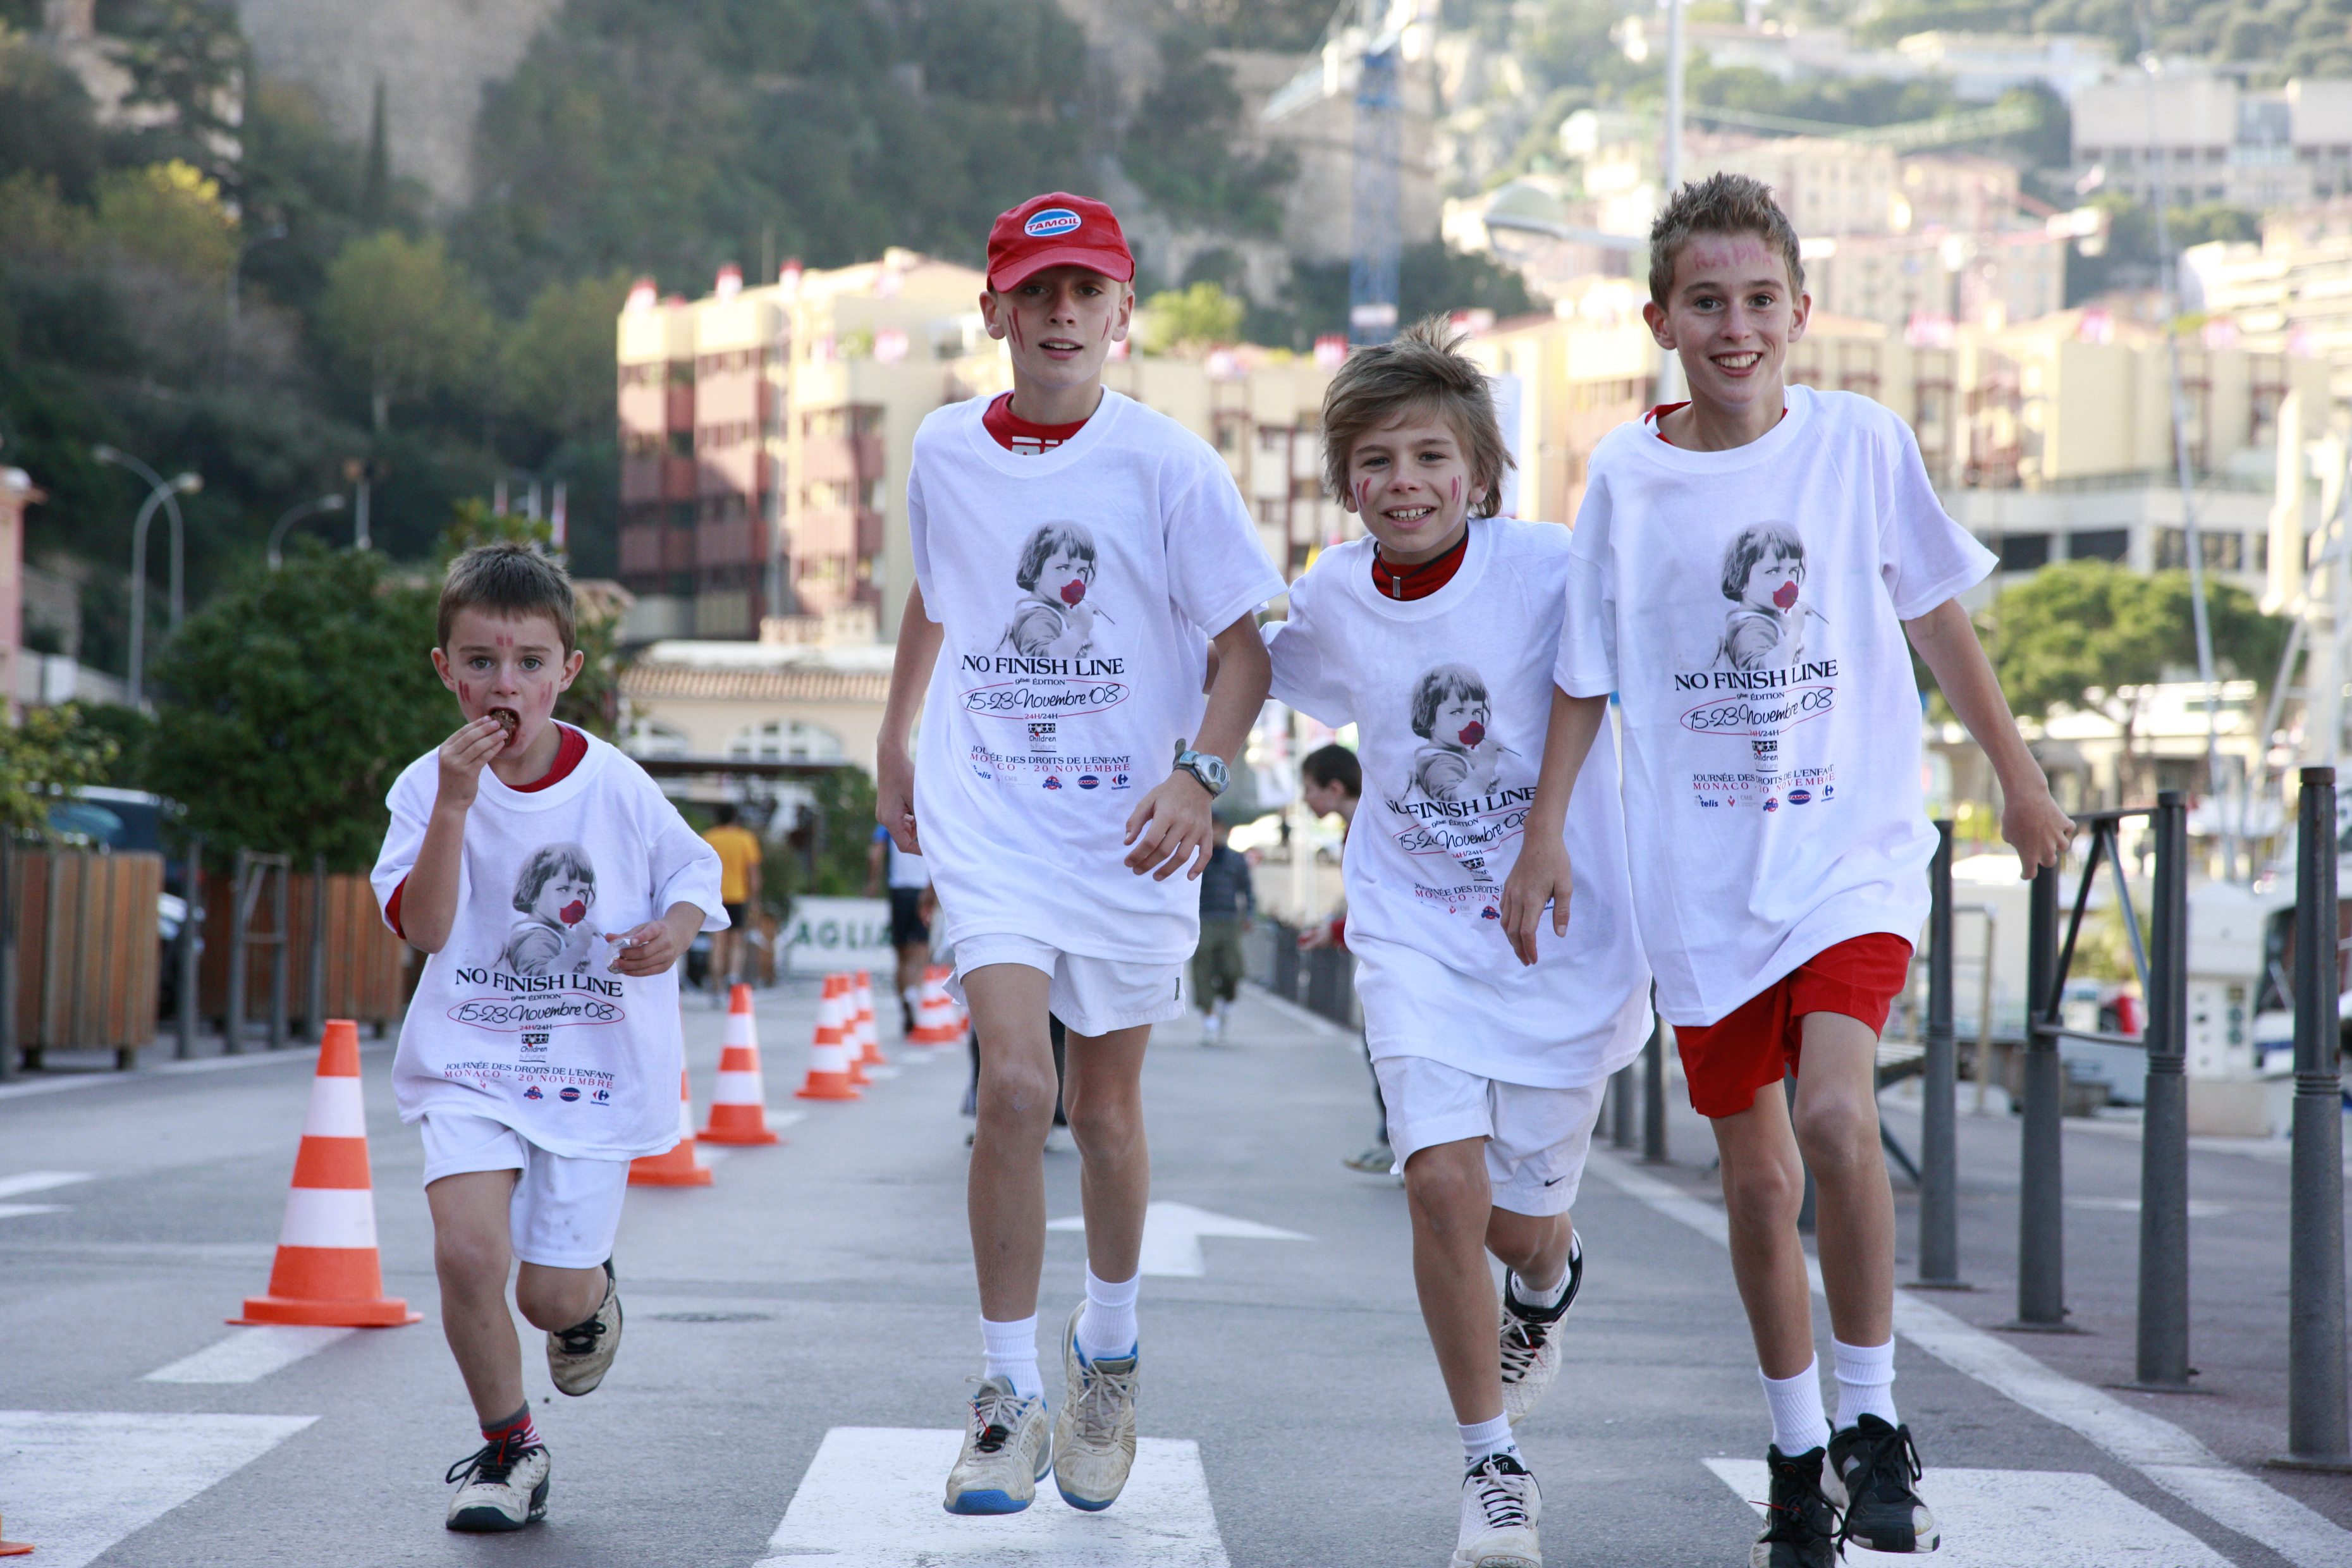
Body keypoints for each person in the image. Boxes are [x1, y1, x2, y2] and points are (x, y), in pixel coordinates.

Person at [1508, 173, 2073, 1568]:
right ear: (1661, 321)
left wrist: (2017, 773)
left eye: (1761, 299)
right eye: (1707, 302)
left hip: (1849, 854)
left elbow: (1935, 614)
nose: (1737, 327)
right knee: (1757, 1186)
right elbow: (1584, 672)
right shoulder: (1626, 476)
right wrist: (1544, 832)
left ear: (1803, 310)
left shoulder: (1860, 444)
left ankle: (1874, 1422)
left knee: (1833, 1113)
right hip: (1701, 883)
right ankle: (1794, 1451)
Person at [874, 191, 1282, 1517]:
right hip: (991, 810)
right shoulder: (944, 448)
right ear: (994, 310)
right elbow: (939, 594)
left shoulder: (1168, 464)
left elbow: (1245, 650)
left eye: (1086, 291)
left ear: (1122, 313)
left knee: (1103, 1112)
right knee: (1013, 1086)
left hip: (1128, 834)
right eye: (1038, 291)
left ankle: (1108, 1350)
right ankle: (1006, 1398)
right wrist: (894, 737)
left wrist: (1198, 778)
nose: (1061, 313)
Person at [1267, 319, 1652, 1568]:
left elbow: (1612, 675)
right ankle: (1493, 1468)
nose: (1405, 482)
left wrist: (1548, 836)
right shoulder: (1333, 593)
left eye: (1431, 455)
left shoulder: (1544, 566)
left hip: (1558, 932)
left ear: (1480, 471)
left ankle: (1547, 1281)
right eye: (1375, 460)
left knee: (1518, 1229)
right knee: (1438, 1183)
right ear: (1346, 482)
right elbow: (1253, 665)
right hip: (1414, 927)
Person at [371, 542, 725, 1533]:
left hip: (588, 1066)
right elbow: (426, 929)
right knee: (467, 1254)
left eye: (529, 662)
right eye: (480, 661)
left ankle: (588, 1295)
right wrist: (455, 804)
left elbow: (692, 872)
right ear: (445, 669)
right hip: (470, 1060)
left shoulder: (613, 783)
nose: (505, 685)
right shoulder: (426, 788)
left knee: (548, 1297)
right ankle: (509, 1449)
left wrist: (675, 932)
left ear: (567, 670)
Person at [1296, 744, 1388, 1173]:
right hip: (1383, 956)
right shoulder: (1364, 824)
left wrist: (1335, 932)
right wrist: (1334, 931)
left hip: (1394, 961)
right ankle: (1396, 1144)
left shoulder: (1370, 827)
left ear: (1334, 789)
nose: (1305, 798)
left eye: (1309, 788)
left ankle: (1402, 1148)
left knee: (1387, 1053)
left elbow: (1379, 902)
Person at [867, 821, 934, 1032]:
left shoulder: (892, 817)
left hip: (899, 890)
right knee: (920, 952)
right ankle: (913, 993)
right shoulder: (929, 816)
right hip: (922, 889)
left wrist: (873, 882)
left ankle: (905, 998)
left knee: (902, 955)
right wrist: (933, 890)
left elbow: (875, 854)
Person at [1191, 817, 1253, 1044]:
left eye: (1217, 828)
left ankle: (1227, 1001)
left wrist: (1249, 914)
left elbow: (1247, 889)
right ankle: (1209, 1017)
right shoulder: (1195, 856)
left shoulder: (1236, 859)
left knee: (1232, 970)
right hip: (1203, 919)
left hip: (1228, 920)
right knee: (1203, 970)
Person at [702, 803, 763, 995]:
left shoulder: (709, 838)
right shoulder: (745, 839)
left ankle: (716, 982)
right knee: (737, 941)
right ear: (735, 818)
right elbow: (752, 873)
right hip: (738, 896)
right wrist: (755, 899)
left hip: (715, 897)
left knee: (717, 942)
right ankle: (733, 976)